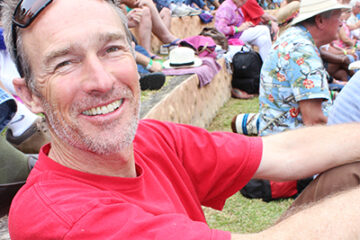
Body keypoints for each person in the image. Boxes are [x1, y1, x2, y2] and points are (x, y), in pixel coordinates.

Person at [3, 0, 360, 239]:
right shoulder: (58, 218)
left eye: (111, 49)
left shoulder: (150, 138)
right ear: (30, 94)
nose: (102, 81)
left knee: (348, 173)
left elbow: (281, 152)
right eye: (65, 62)